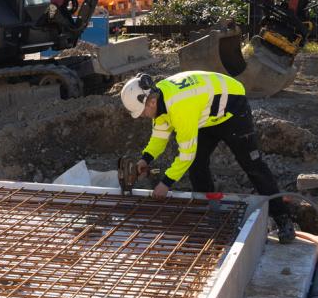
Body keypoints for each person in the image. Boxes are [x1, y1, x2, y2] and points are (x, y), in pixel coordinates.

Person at [120, 71, 296, 243]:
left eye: (141, 113)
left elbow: (186, 154)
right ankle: (211, 215)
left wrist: (166, 183)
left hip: (232, 110)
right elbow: (159, 137)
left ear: (150, 102)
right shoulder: (159, 101)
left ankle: (283, 219)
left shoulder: (179, 106)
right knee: (197, 164)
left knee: (253, 166)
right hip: (205, 114)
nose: (142, 117)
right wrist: (145, 159)